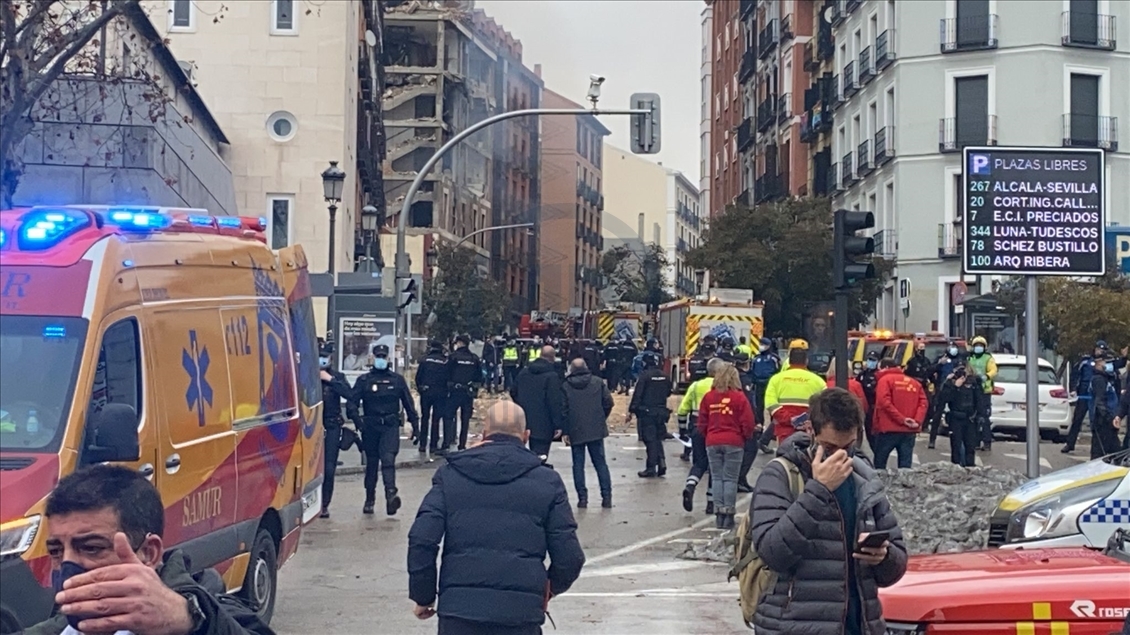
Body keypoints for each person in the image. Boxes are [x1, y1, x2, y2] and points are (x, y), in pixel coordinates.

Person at [26, 465, 272, 635]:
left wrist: (189, 619)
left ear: (148, 553)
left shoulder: (207, 617)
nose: (69, 565)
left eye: (91, 548)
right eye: (57, 551)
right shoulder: (54, 628)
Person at [407, 402, 585, 635]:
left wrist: (424, 595)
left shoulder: (450, 475)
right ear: (526, 436)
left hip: (460, 612)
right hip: (520, 615)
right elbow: (570, 557)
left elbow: (421, 540)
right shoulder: (548, 481)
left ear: (484, 434)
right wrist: (545, 591)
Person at [749, 388, 908, 635]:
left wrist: (883, 557)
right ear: (811, 430)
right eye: (829, 447)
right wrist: (819, 489)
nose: (841, 456)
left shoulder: (863, 477)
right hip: (795, 625)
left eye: (849, 446)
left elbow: (897, 564)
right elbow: (773, 553)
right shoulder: (781, 475)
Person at [350, 343, 419, 515]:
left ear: (387, 358)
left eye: (383, 356)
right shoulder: (364, 380)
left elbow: (408, 404)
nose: (380, 359)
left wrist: (416, 426)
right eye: (378, 356)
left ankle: (390, 495)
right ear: (373, 358)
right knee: (372, 464)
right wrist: (359, 423)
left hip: (390, 425)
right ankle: (369, 499)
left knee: (388, 460)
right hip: (371, 426)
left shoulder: (396, 380)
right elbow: (352, 403)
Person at [697, 365, 755, 529]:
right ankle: (728, 513)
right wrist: (745, 436)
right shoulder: (739, 397)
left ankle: (718, 513)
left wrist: (707, 434)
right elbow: (748, 422)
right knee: (730, 478)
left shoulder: (709, 397)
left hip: (713, 440)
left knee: (717, 478)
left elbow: (702, 421)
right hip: (734, 441)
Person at [561, 359, 615, 509]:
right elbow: (608, 402)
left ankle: (582, 498)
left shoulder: (566, 386)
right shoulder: (597, 382)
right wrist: (601, 417)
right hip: (595, 428)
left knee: (578, 465)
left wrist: (565, 430)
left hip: (575, 428)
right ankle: (606, 497)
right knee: (600, 463)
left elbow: (564, 410)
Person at [678, 357, 727, 514]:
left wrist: (682, 430)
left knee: (699, 463)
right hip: (716, 428)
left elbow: (682, 409)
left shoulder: (696, 385)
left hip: (697, 427)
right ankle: (711, 502)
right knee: (715, 465)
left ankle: (690, 486)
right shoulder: (722, 387)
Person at [764, 342, 826, 446]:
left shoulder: (776, 380)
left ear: (789, 361)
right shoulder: (818, 381)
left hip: (784, 431)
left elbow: (770, 404)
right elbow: (825, 405)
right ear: (806, 361)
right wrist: (811, 421)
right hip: (808, 430)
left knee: (785, 458)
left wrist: (790, 419)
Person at [871, 359, 928, 470]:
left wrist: (901, 419)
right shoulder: (914, 383)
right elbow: (923, 403)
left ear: (885, 368)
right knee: (906, 467)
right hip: (909, 430)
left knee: (880, 464)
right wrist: (917, 420)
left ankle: (881, 487)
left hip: (888, 429)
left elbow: (883, 403)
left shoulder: (884, 380)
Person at [319, 347, 355, 518]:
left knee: (328, 467)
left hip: (331, 426)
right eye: (319, 357)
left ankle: (324, 504)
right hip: (310, 427)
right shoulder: (306, 375)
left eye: (325, 357)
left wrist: (331, 380)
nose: (322, 360)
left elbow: (350, 394)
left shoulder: (337, 377)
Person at [511, 345, 564, 459]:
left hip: (524, 418)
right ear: (553, 358)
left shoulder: (524, 372)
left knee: (521, 454)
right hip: (544, 422)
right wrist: (558, 424)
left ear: (540, 355)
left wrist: (521, 404)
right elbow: (554, 401)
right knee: (540, 456)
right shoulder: (552, 376)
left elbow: (513, 391)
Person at [628, 351, 672, 478]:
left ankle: (651, 467)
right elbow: (668, 392)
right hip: (661, 411)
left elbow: (638, 395)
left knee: (650, 440)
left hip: (647, 412)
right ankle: (661, 461)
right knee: (658, 438)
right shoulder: (665, 376)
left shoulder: (645, 376)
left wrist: (632, 410)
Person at [936, 366, 984, 467]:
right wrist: (954, 386)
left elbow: (980, 402)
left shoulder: (975, 387)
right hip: (956, 418)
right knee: (956, 445)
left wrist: (980, 416)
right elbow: (943, 399)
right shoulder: (953, 385)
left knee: (970, 446)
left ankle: (970, 466)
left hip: (970, 419)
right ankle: (957, 466)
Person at [443, 334, 481, 453]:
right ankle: (462, 444)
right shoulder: (474, 358)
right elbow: (479, 377)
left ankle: (446, 443)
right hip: (467, 393)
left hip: (454, 392)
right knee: (465, 419)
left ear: (459, 343)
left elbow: (446, 374)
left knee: (449, 417)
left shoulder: (453, 357)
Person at [927, 340, 965, 450]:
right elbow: (929, 371)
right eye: (951, 348)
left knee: (956, 415)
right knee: (937, 415)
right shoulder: (941, 359)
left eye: (955, 348)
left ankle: (957, 440)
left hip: (956, 390)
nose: (953, 350)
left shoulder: (960, 360)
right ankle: (932, 440)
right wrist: (939, 364)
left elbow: (966, 373)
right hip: (942, 390)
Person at [415, 340, 450, 456]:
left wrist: (421, 389)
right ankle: (433, 446)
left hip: (426, 392)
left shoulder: (424, 360)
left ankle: (422, 444)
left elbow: (418, 377)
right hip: (440, 394)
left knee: (424, 418)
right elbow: (448, 378)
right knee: (436, 420)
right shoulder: (445, 361)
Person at [734, 352, 761, 493]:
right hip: (744, 419)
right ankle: (740, 478)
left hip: (732, 418)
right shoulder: (745, 380)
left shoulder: (731, 378)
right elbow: (750, 402)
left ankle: (740, 479)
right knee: (751, 448)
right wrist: (756, 421)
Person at [966, 335, 998, 451]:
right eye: (976, 345)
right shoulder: (970, 358)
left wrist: (986, 376)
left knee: (984, 417)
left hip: (984, 391)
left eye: (980, 346)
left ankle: (987, 441)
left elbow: (994, 370)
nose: (978, 347)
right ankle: (975, 441)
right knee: (973, 417)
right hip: (972, 390)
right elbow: (967, 370)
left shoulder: (988, 358)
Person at [1089, 354, 1123, 459]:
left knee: (1114, 451)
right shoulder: (1099, 380)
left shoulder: (1105, 378)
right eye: (1104, 362)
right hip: (1103, 422)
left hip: (1106, 421)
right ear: (1098, 364)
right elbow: (1100, 402)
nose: (1107, 365)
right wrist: (1109, 418)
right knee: (1105, 453)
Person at [857, 351, 882, 449]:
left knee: (873, 435)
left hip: (873, 407)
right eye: (869, 359)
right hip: (863, 406)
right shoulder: (862, 374)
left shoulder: (878, 375)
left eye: (873, 360)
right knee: (865, 432)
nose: (870, 362)